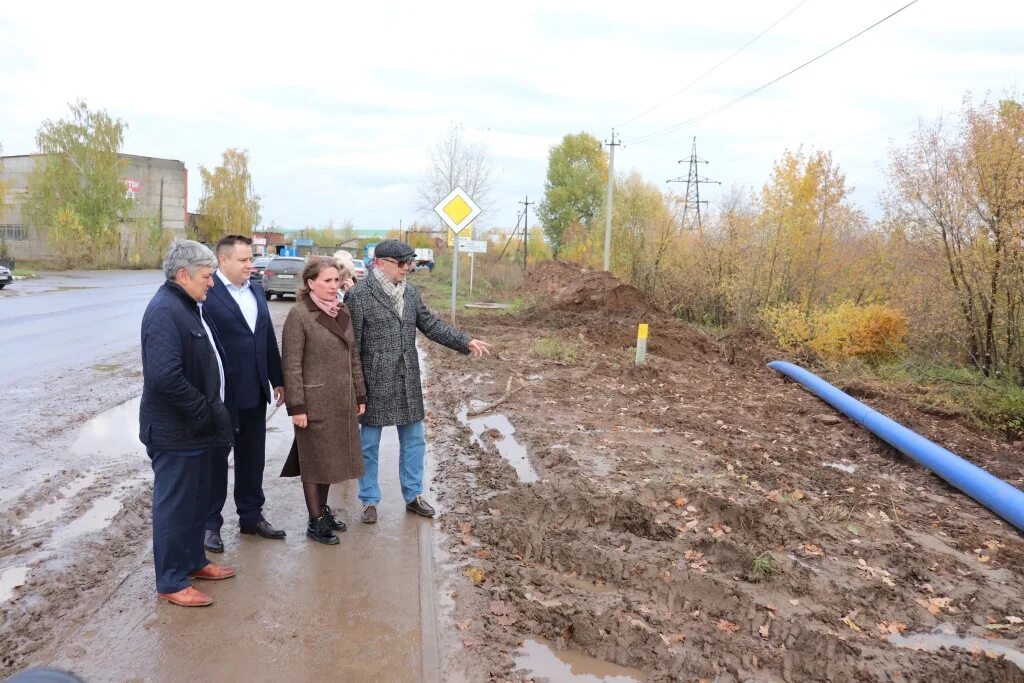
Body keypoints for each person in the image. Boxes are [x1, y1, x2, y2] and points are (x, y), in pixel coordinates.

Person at [346, 239, 491, 524]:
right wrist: (356, 389)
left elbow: (431, 325)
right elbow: (352, 347)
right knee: (368, 444)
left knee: (414, 440)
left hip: (407, 378)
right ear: (381, 263)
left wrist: (465, 341)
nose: (407, 269)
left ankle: (413, 495)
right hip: (374, 381)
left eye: (410, 263)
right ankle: (369, 500)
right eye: (402, 264)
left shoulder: (410, 293)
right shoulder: (359, 296)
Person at [139, 240, 236, 607]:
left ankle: (193, 562)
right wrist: (203, 409)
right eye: (207, 276)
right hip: (176, 431)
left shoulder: (188, 305)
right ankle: (171, 581)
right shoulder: (165, 310)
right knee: (175, 506)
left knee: (197, 503)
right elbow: (163, 377)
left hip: (198, 430)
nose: (212, 283)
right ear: (183, 275)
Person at [201, 235, 287, 554]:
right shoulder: (208, 294)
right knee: (216, 462)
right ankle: (210, 525)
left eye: (251, 259)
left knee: (252, 459)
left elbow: (265, 337)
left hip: (254, 392)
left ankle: (251, 517)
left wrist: (278, 379)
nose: (250, 265)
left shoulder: (255, 291)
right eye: (243, 260)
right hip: (222, 396)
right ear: (223, 261)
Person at [281, 256, 367, 544]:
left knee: (329, 461)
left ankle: (322, 513)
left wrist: (360, 394)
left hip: (341, 401)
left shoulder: (341, 311)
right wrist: (297, 406)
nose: (334, 286)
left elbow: (353, 355)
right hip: (314, 402)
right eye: (327, 281)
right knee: (314, 462)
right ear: (311, 283)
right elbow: (291, 364)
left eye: (336, 280)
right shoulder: (300, 315)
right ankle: (314, 522)